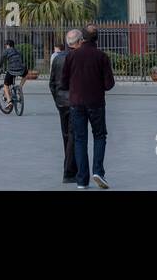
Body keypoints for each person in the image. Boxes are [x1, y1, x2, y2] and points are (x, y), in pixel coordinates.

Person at [60, 23, 114, 189]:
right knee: (99, 135)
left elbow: (63, 82)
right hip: (96, 102)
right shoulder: (102, 56)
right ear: (97, 38)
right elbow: (109, 84)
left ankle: (82, 180)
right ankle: (98, 171)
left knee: (80, 139)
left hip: (76, 103)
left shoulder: (71, 56)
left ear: (82, 38)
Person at [48, 36, 79, 184]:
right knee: (73, 135)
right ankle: (69, 172)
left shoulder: (57, 59)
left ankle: (71, 167)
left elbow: (52, 83)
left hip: (61, 102)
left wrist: (57, 100)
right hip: (74, 101)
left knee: (66, 135)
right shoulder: (76, 58)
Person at [0, 39, 27, 107]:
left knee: (6, 85)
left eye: (6, 45)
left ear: (7, 45)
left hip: (12, 70)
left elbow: (0, 62)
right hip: (21, 69)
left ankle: (9, 101)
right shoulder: (18, 51)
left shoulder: (6, 51)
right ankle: (20, 87)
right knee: (25, 75)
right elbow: (21, 60)